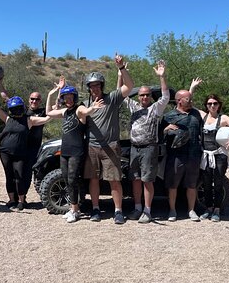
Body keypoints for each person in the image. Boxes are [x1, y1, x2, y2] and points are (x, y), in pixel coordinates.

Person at [83, 54, 134, 224]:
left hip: (110, 146)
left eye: (97, 85)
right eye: (92, 85)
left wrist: (121, 68)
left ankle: (118, 211)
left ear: (102, 85)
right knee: (94, 179)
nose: (95, 88)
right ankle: (96, 209)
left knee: (114, 179)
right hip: (92, 146)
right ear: (88, 87)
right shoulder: (85, 103)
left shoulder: (112, 99)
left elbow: (129, 86)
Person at [45, 77, 104, 223]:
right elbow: (48, 113)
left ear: (75, 97)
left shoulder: (79, 109)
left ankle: (75, 210)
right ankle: (74, 208)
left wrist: (92, 108)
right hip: (65, 151)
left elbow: (86, 111)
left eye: (71, 97)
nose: (69, 99)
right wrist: (51, 94)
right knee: (66, 179)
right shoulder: (65, 111)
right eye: (66, 97)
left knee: (72, 179)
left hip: (77, 151)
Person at [119, 60, 169, 224]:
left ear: (150, 96)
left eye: (147, 94)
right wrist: (120, 74)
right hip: (135, 148)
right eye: (142, 94)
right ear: (138, 96)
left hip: (149, 148)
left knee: (147, 180)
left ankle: (147, 211)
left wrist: (162, 77)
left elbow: (166, 96)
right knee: (135, 179)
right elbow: (120, 94)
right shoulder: (134, 107)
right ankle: (138, 207)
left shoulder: (155, 108)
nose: (145, 97)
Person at [0, 79, 51, 211]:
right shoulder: (8, 118)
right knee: (9, 175)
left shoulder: (29, 119)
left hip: (22, 152)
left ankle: (22, 201)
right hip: (5, 152)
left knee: (20, 176)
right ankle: (12, 200)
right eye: (14, 108)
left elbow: (47, 118)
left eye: (18, 108)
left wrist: (53, 96)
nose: (17, 110)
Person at [189, 80, 229, 222]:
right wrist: (192, 87)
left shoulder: (223, 118)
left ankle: (217, 210)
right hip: (206, 156)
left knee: (218, 183)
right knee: (206, 183)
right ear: (206, 105)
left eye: (215, 103)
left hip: (219, 156)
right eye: (209, 104)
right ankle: (208, 209)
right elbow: (189, 102)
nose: (212, 106)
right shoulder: (203, 116)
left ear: (219, 105)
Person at [162, 88, 203, 222]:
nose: (191, 101)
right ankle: (172, 210)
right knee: (173, 184)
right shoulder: (169, 116)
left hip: (193, 155)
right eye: (188, 99)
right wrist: (165, 129)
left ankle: (191, 210)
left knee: (192, 184)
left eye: (191, 99)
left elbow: (203, 131)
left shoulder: (196, 114)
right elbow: (159, 134)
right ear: (179, 100)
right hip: (176, 156)